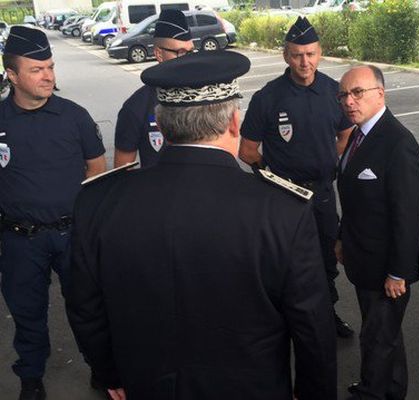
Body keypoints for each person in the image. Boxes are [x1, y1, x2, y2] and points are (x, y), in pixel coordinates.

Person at [66, 50, 337, 400]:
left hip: (149, 385)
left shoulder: (98, 202)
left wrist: (108, 372)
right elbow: (313, 326)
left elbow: (84, 305)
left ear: (161, 127)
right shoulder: (283, 210)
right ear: (234, 123)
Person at [0, 26, 106, 400]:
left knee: (89, 308)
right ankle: (31, 378)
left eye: (50, 67)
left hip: (71, 234)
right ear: (12, 75)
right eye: (36, 69)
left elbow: (97, 169)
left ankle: (102, 369)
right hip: (18, 239)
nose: (48, 76)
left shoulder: (73, 116)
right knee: (27, 313)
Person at [239, 16, 355, 337]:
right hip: (284, 198)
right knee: (286, 263)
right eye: (297, 55)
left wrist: (333, 161)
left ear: (320, 53)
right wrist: (273, 179)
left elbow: (345, 136)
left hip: (321, 195)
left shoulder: (335, 92)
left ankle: (326, 316)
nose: (304, 62)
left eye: (311, 54)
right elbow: (247, 151)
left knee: (326, 259)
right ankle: (285, 322)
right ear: (285, 56)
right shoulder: (268, 97)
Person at [336, 65, 419, 400]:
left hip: (387, 268)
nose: (348, 101)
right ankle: (390, 388)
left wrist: (398, 272)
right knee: (385, 335)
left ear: (380, 93)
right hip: (364, 260)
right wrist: (343, 237)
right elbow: (356, 200)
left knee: (377, 338)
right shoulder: (359, 136)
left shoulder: (398, 143)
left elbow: (408, 216)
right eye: (343, 94)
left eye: (357, 92)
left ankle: (373, 393)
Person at [113, 9, 195, 168]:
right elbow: (122, 172)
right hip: (157, 192)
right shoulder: (136, 106)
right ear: (159, 53)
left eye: (191, 52)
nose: (188, 60)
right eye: (180, 52)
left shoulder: (206, 96)